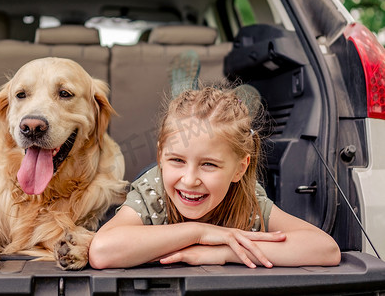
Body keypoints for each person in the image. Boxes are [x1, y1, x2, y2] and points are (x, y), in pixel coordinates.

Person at [89, 85, 341, 269]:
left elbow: (325, 249)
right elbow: (102, 251)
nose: (189, 180)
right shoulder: (151, 192)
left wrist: (225, 251)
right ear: (161, 155)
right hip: (159, 181)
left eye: (208, 164)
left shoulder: (248, 199)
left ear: (239, 169)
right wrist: (198, 233)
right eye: (176, 159)